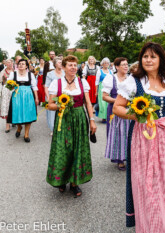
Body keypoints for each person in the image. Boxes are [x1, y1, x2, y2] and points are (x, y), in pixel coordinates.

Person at [113, 42, 165, 232]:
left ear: (161, 59)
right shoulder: (134, 81)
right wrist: (138, 115)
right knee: (147, 185)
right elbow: (117, 107)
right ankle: (148, 227)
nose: (149, 60)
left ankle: (164, 225)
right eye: (145, 56)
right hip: (143, 138)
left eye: (153, 56)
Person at [46, 55, 96, 197]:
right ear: (63, 67)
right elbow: (50, 105)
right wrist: (62, 105)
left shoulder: (82, 82)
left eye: (75, 65)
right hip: (63, 119)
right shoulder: (57, 83)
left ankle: (75, 182)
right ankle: (61, 179)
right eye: (70, 65)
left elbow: (88, 102)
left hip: (80, 119)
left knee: (77, 149)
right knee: (63, 149)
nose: (73, 68)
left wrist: (92, 120)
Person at [102, 57, 130, 171]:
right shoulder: (110, 78)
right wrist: (118, 101)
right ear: (117, 67)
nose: (126, 66)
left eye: (127, 64)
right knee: (117, 135)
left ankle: (129, 156)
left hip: (129, 110)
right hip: (115, 110)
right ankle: (119, 160)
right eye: (123, 64)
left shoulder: (131, 78)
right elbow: (104, 97)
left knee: (129, 133)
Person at [7, 59, 39, 142]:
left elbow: (34, 87)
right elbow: (8, 85)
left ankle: (26, 134)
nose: (21, 65)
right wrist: (11, 87)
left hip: (28, 96)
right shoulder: (13, 74)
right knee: (17, 113)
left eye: (23, 64)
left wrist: (36, 98)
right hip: (16, 96)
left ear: (26, 66)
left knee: (28, 114)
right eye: (19, 64)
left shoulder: (30, 75)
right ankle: (19, 127)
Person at [44, 57, 65, 135]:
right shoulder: (50, 74)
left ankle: (62, 127)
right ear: (55, 64)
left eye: (62, 62)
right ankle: (53, 129)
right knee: (52, 114)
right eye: (59, 62)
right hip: (52, 96)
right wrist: (48, 98)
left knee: (62, 112)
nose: (61, 63)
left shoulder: (65, 72)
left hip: (63, 96)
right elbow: (46, 86)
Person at [0, 59, 14, 132]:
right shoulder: (3, 72)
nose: (9, 64)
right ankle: (7, 125)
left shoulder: (15, 72)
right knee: (6, 107)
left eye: (11, 63)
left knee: (13, 105)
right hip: (6, 90)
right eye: (8, 63)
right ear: (5, 64)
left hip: (13, 90)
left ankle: (13, 121)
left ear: (12, 64)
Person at [96, 57, 112, 123]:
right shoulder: (99, 71)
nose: (106, 64)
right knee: (102, 104)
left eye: (107, 63)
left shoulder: (111, 71)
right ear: (102, 64)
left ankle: (108, 117)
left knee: (108, 103)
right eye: (105, 63)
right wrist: (96, 91)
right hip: (101, 88)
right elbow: (96, 82)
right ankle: (104, 118)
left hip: (109, 89)